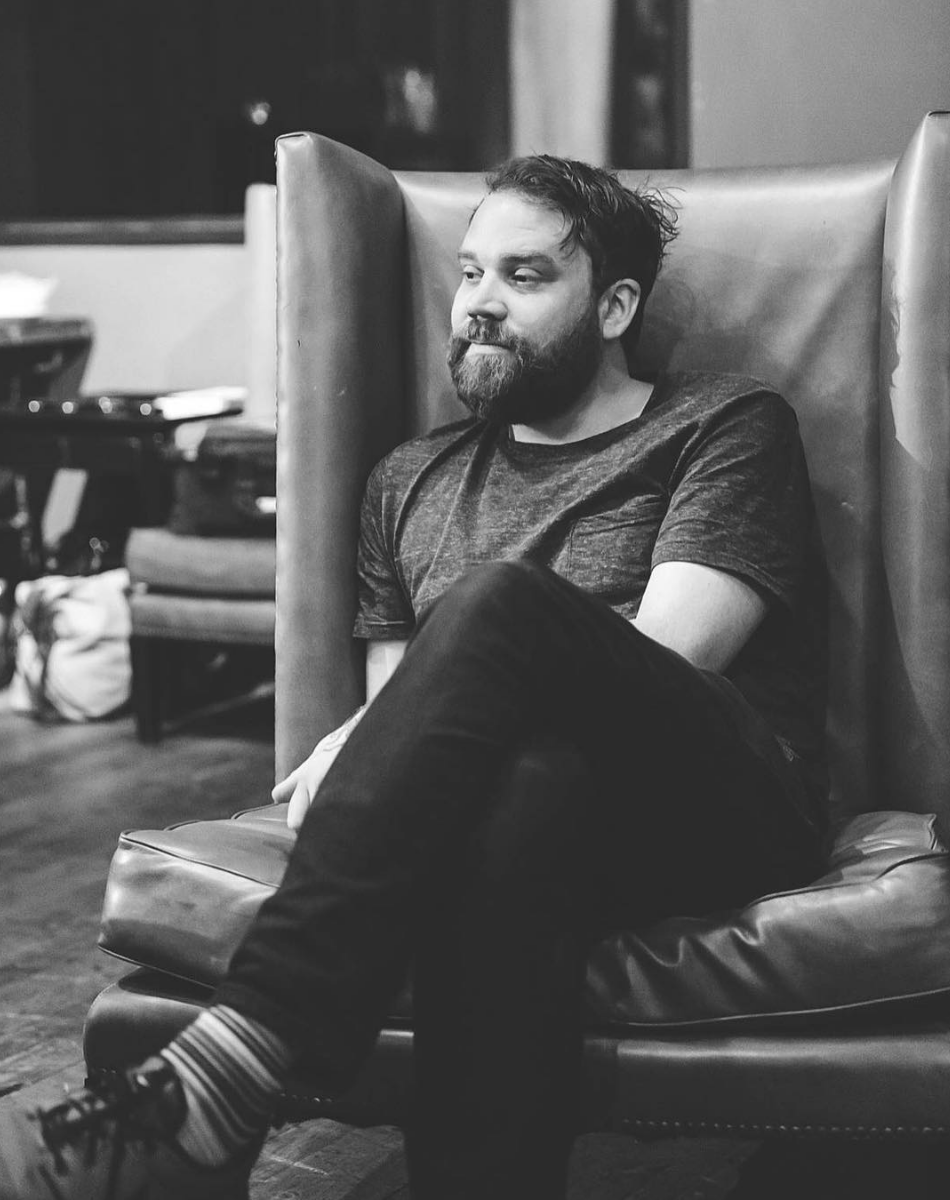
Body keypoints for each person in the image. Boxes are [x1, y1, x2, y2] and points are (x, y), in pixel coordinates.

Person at [0, 154, 827, 1200]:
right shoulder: (407, 480)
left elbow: (671, 658)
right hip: (545, 813)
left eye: (524, 276)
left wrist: (366, 733)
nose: (479, 301)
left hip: (716, 797)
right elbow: (412, 726)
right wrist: (377, 736)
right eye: (470, 272)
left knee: (500, 603)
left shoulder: (721, 423)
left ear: (615, 306)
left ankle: (229, 1069)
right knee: (517, 797)